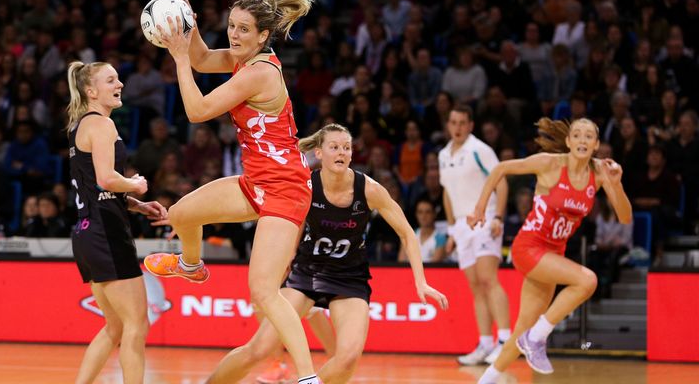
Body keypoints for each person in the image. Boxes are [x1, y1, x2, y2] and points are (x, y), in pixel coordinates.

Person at [143, 0, 323, 383]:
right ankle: (190, 265)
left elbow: (197, 110)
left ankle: (308, 377)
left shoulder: (259, 72)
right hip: (257, 180)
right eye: (231, 26)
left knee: (262, 291)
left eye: (243, 29)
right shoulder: (245, 57)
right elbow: (205, 58)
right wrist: (187, 29)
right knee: (181, 213)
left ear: (263, 36)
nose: (234, 35)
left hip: (286, 189)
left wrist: (177, 59)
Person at [205, 123, 448, 384]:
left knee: (347, 359)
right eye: (334, 147)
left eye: (346, 147)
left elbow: (407, 233)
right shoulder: (305, 185)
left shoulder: (369, 189)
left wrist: (421, 281)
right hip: (307, 273)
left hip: (349, 278)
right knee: (258, 350)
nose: (341, 152)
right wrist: (283, 262)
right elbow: (292, 223)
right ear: (319, 153)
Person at [475, 118, 632, 383]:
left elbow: (625, 218)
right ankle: (537, 337)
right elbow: (501, 168)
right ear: (569, 142)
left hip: (552, 254)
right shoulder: (550, 163)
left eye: (588, 136)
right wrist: (481, 207)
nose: (582, 140)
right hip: (529, 247)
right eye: (577, 135)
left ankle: (487, 379)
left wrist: (616, 184)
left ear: (596, 145)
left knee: (521, 331)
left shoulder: (600, 173)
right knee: (587, 280)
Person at [66, 61, 168, 384]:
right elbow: (107, 179)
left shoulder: (79, 126)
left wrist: (137, 205)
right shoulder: (101, 125)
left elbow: (95, 188)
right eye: (111, 80)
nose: (120, 83)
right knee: (137, 325)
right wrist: (135, 184)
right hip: (106, 234)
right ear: (91, 91)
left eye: (119, 78)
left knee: (115, 327)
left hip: (87, 233)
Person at [438, 105, 511, 365]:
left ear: (470, 125)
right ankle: (485, 344)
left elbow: (501, 182)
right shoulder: (444, 154)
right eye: (453, 122)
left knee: (488, 279)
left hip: (485, 218)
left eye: (462, 123)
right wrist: (451, 230)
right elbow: (447, 192)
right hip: (461, 225)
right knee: (475, 286)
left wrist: (499, 217)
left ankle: (505, 340)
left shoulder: (480, 150)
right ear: (448, 125)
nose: (457, 127)